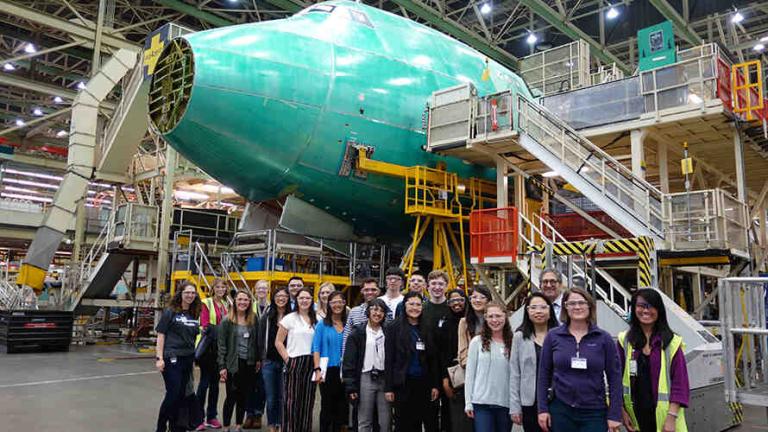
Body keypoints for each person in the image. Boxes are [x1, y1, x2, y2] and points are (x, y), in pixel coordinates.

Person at [537, 288, 622, 432]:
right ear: (565, 307)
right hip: (561, 409)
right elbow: (543, 375)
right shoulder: (553, 336)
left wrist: (614, 414)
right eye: (572, 303)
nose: (577, 307)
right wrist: (542, 409)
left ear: (589, 306)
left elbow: (615, 377)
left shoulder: (603, 338)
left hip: (594, 411)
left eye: (582, 303)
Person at [617, 289, 689, 432]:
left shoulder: (671, 342)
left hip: (665, 419)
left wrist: (671, 417)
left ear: (659, 310)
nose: (645, 310)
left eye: (651, 306)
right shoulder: (624, 341)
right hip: (636, 418)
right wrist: (622, 411)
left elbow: (680, 383)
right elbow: (616, 378)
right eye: (641, 305)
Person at [384, 291, 440, 431]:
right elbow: (389, 359)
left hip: (424, 383)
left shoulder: (428, 327)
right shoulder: (393, 327)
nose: (415, 308)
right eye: (411, 304)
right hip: (402, 384)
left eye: (418, 304)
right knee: (404, 423)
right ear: (404, 305)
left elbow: (433, 359)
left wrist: (435, 385)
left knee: (424, 420)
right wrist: (389, 387)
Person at [155, 282, 201, 432]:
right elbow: (161, 334)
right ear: (180, 293)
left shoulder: (194, 313)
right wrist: (159, 358)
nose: (190, 295)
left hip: (187, 358)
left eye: (193, 293)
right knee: (173, 393)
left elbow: (193, 338)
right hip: (171, 357)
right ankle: (161, 427)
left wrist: (193, 361)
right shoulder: (171, 311)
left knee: (181, 394)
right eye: (187, 292)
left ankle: (175, 427)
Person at [509, 293, 558, 432]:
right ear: (527, 311)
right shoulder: (519, 337)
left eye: (543, 307)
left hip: (558, 400)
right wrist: (515, 407)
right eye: (533, 307)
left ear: (550, 310)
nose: (538, 311)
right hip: (530, 402)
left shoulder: (560, 336)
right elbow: (515, 373)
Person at [343, 298, 391, 432]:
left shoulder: (388, 331)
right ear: (368, 311)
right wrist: (351, 386)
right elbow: (349, 361)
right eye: (374, 309)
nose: (378, 313)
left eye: (381, 311)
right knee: (364, 420)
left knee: (385, 420)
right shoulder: (357, 332)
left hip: (384, 378)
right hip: (365, 377)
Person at [465, 302, 513, 432]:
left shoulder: (514, 342)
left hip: (506, 403)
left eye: (498, 316)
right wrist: (468, 402)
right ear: (485, 318)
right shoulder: (477, 342)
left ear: (506, 316)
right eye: (490, 316)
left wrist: (516, 405)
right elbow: (470, 374)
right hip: (481, 404)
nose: (494, 320)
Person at [275, 287, 317, 432]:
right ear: (296, 300)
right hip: (295, 361)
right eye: (301, 298)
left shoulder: (317, 319)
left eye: (307, 298)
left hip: (311, 362)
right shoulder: (290, 318)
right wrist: (288, 360)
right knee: (291, 402)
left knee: (307, 402)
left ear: (312, 300)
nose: (304, 301)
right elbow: (278, 342)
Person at [218, 289, 259, 432]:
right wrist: (222, 366)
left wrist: (258, 360)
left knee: (243, 395)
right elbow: (222, 345)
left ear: (250, 302)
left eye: (246, 300)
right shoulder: (227, 320)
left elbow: (256, 342)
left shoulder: (254, 319)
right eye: (240, 299)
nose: (242, 302)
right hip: (232, 363)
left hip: (248, 363)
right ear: (235, 301)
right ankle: (226, 425)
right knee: (231, 396)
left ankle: (238, 425)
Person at [195, 279, 230, 430]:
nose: (220, 289)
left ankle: (212, 416)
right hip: (208, 348)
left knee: (215, 385)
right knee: (204, 383)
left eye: (223, 287)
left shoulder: (226, 304)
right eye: (218, 286)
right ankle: (197, 417)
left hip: (220, 349)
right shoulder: (206, 303)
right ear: (213, 288)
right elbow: (205, 324)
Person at [421, 270, 453, 432]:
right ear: (427, 286)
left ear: (447, 286)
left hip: (449, 367)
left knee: (450, 413)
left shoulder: (452, 310)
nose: (437, 287)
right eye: (433, 283)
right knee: (429, 413)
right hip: (428, 368)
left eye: (441, 284)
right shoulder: (422, 309)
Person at [313, 290, 349, 432]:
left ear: (345, 303)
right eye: (334, 302)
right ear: (329, 304)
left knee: (342, 406)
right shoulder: (322, 325)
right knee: (327, 406)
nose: (337, 305)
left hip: (345, 370)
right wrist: (317, 370)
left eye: (340, 301)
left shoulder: (349, 323)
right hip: (327, 370)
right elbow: (316, 348)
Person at [257, 287, 292, 432]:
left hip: (287, 361)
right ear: (274, 298)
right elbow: (260, 338)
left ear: (288, 298)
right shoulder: (267, 316)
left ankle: (281, 423)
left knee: (283, 396)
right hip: (269, 362)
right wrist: (261, 358)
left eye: (284, 296)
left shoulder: (292, 316)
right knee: (271, 397)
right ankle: (272, 424)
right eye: (278, 296)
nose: (281, 298)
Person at [438, 289, 473, 432]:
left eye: (460, 300)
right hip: (452, 375)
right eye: (452, 301)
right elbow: (441, 353)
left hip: (471, 372)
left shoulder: (471, 322)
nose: (456, 303)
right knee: (451, 417)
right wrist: (445, 379)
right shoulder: (445, 323)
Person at [244, 281, 269, 432]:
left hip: (265, 354)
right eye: (259, 288)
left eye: (264, 288)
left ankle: (258, 414)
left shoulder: (271, 307)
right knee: (249, 385)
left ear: (268, 290)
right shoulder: (249, 306)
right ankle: (249, 414)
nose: (261, 290)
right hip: (249, 353)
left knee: (262, 386)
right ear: (255, 290)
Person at [342, 277, 383, 354]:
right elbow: (346, 337)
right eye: (366, 290)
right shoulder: (354, 312)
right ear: (361, 291)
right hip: (357, 357)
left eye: (373, 290)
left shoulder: (386, 311)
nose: (370, 292)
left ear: (378, 291)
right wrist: (345, 357)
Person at [459, 286, 492, 368]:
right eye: (474, 297)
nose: (478, 300)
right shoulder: (464, 322)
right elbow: (462, 349)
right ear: (470, 300)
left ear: (488, 300)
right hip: (472, 366)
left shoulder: (495, 320)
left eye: (482, 297)